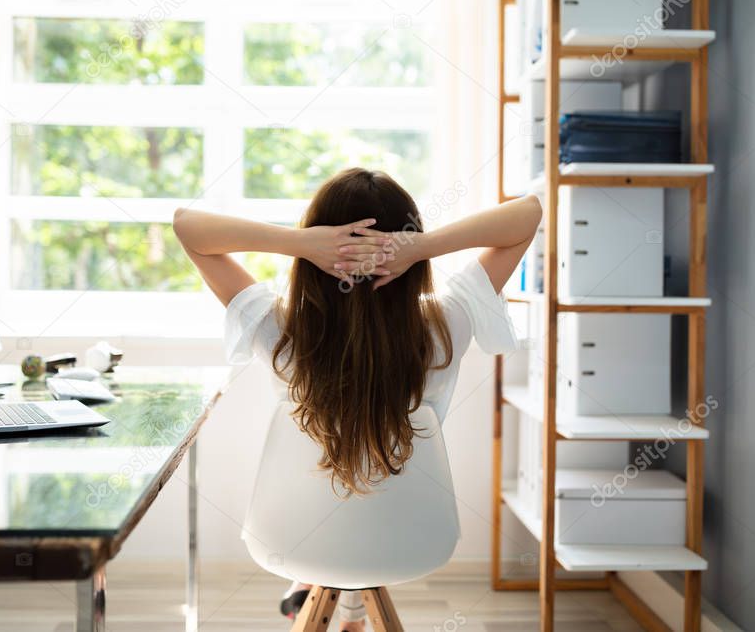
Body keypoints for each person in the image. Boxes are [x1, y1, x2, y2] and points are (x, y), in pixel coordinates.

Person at [172, 167, 542, 631]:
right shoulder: (446, 325)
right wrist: (419, 246)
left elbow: (187, 226)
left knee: (327, 504)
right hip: (409, 537)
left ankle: (314, 590)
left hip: (294, 536)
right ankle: (344, 606)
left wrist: (303, 243)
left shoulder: (281, 330)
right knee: (361, 507)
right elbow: (528, 215)